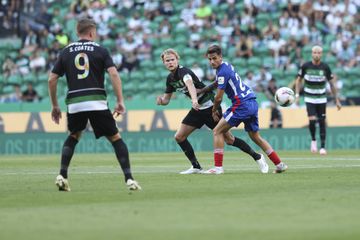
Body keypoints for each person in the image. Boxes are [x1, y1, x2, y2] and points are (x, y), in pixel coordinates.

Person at [48, 18, 141, 191]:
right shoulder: (101, 50)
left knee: (73, 135)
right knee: (115, 138)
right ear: (92, 33)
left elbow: (52, 79)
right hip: (96, 101)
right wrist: (120, 101)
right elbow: (113, 74)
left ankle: (62, 174)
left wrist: (55, 105)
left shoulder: (66, 51)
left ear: (77, 33)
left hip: (75, 103)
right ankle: (129, 179)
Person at [156, 49, 268, 175]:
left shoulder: (184, 72)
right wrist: (161, 101)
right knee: (179, 137)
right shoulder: (170, 79)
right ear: (164, 63)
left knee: (229, 139)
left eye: (172, 59)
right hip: (197, 109)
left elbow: (190, 85)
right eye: (167, 60)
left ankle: (257, 157)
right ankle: (196, 166)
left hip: (210, 107)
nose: (170, 62)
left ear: (177, 60)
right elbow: (166, 99)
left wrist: (194, 100)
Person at [205, 45, 288, 174]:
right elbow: (217, 83)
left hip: (241, 105)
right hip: (252, 102)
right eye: (209, 59)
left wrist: (214, 110)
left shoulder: (221, 72)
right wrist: (205, 89)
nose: (212, 62)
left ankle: (218, 168)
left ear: (221, 57)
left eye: (214, 58)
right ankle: (279, 164)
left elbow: (218, 98)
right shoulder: (226, 66)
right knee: (256, 137)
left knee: (217, 131)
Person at [295, 45, 341, 155]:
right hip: (309, 98)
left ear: (322, 54)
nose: (317, 54)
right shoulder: (306, 66)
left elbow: (332, 84)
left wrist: (337, 100)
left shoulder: (325, 67)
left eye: (319, 52)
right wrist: (297, 95)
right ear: (312, 53)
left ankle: (323, 147)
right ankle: (314, 141)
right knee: (311, 120)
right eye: (315, 52)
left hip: (321, 98)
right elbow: (298, 81)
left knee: (322, 121)